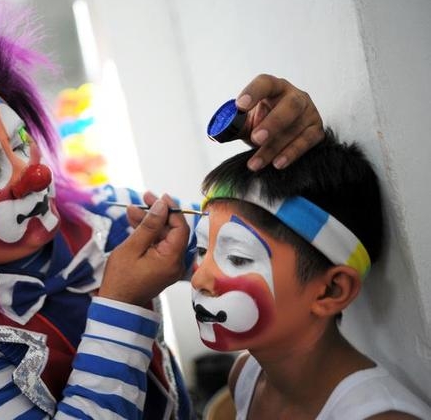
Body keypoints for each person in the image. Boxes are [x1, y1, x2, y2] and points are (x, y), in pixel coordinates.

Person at [0, 0, 324, 418]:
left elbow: (279, 245)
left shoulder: (104, 216)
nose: (34, 172)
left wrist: (289, 154)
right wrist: (121, 304)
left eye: (20, 144)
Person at [179, 131, 431, 419]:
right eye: (201, 249)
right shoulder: (246, 375)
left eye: (238, 258)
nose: (199, 279)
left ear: (331, 290)